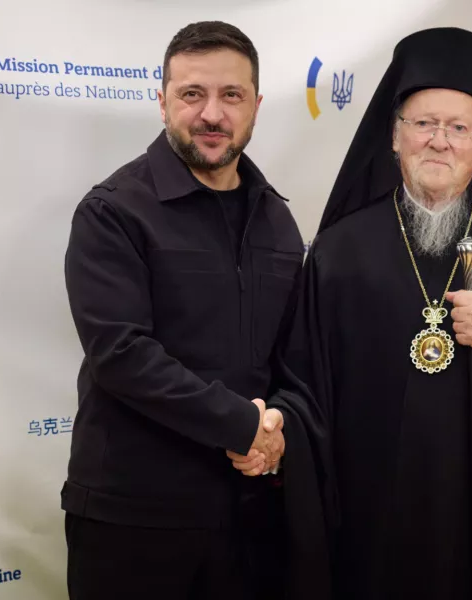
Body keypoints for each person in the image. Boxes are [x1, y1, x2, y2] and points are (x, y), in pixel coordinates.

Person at [233, 27, 472, 600]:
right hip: (373, 523)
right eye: (423, 123)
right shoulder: (340, 250)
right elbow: (303, 384)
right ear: (394, 136)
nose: (439, 141)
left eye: (459, 128)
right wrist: (277, 432)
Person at [61, 20, 299, 600]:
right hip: (133, 520)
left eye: (231, 95)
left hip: (251, 517)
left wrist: (281, 428)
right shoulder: (112, 212)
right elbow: (122, 355)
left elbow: (295, 352)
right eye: (193, 93)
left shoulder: (277, 218)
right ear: (163, 100)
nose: (212, 114)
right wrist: (243, 424)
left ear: (256, 106)